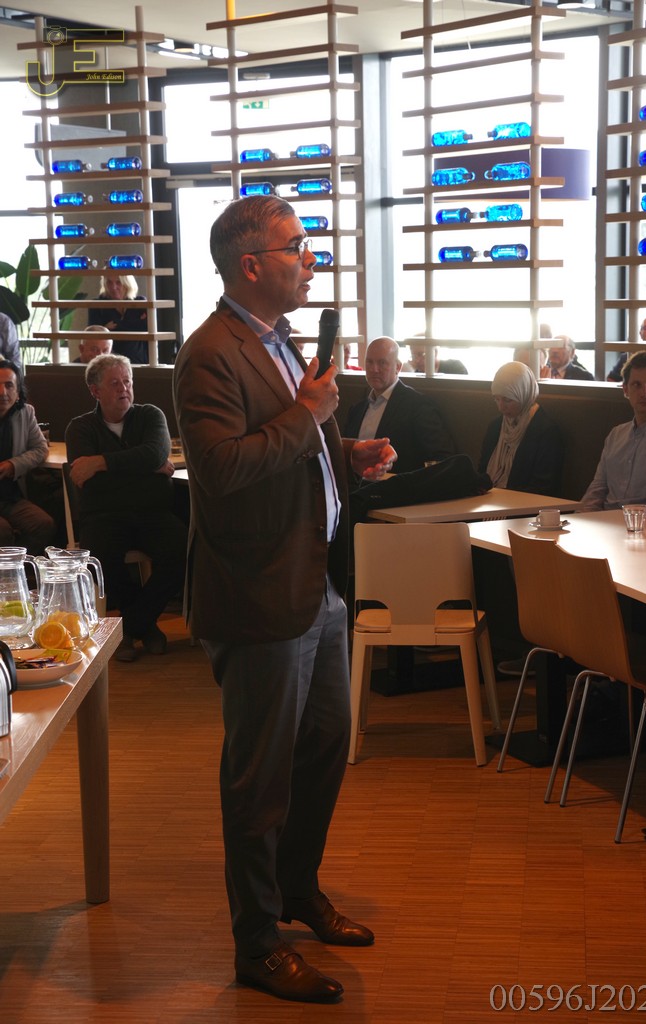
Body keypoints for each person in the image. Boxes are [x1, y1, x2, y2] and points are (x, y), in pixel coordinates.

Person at [172, 194, 395, 1005]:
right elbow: (222, 471)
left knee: (323, 747)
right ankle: (257, 945)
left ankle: (297, 889)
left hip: (315, 582)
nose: (310, 259)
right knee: (259, 779)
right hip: (258, 591)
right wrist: (308, 415)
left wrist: (345, 450)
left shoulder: (277, 337)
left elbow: (294, 436)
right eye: (296, 246)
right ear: (250, 265)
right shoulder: (208, 354)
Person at [65, 354, 187, 663]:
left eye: (128, 381)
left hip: (152, 513)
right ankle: (146, 627)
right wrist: (146, 468)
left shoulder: (150, 415)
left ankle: (129, 628)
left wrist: (101, 462)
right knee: (100, 558)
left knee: (184, 550)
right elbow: (89, 483)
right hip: (103, 516)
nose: (124, 388)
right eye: (115, 383)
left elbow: (155, 452)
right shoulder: (80, 427)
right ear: (95, 391)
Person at [581, 350, 646, 517]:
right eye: (636, 385)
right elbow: (596, 491)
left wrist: (609, 525)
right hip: (603, 525)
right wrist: (583, 520)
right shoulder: (616, 435)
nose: (645, 392)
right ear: (625, 390)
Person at [344, 336, 457, 474]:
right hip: (353, 485)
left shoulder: (419, 406)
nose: (374, 369)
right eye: (369, 362)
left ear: (398, 367)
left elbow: (443, 458)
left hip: (397, 485)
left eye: (382, 363)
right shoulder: (356, 410)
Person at [478, 361, 564, 496]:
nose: (501, 407)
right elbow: (482, 473)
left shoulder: (546, 431)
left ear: (524, 394)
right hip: (489, 500)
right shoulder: (495, 426)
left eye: (507, 400)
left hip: (524, 503)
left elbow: (543, 487)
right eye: (496, 399)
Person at [0, 359, 55, 552]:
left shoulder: (25, 412)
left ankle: (21, 568)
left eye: (9, 385)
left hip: (10, 498)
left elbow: (40, 448)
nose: (2, 392)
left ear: (18, 392)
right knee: (3, 532)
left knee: (43, 525)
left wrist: (14, 465)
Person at [87, 272, 149, 364]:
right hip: (109, 364)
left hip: (140, 363)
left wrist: (112, 326)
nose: (113, 287)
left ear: (127, 283)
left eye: (118, 282)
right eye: (109, 282)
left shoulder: (140, 302)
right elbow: (93, 336)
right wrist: (135, 324)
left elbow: (147, 328)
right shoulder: (98, 304)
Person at [401, 343, 467, 375]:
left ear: (435, 352)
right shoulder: (414, 372)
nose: (417, 360)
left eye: (421, 354)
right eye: (413, 356)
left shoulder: (455, 367)